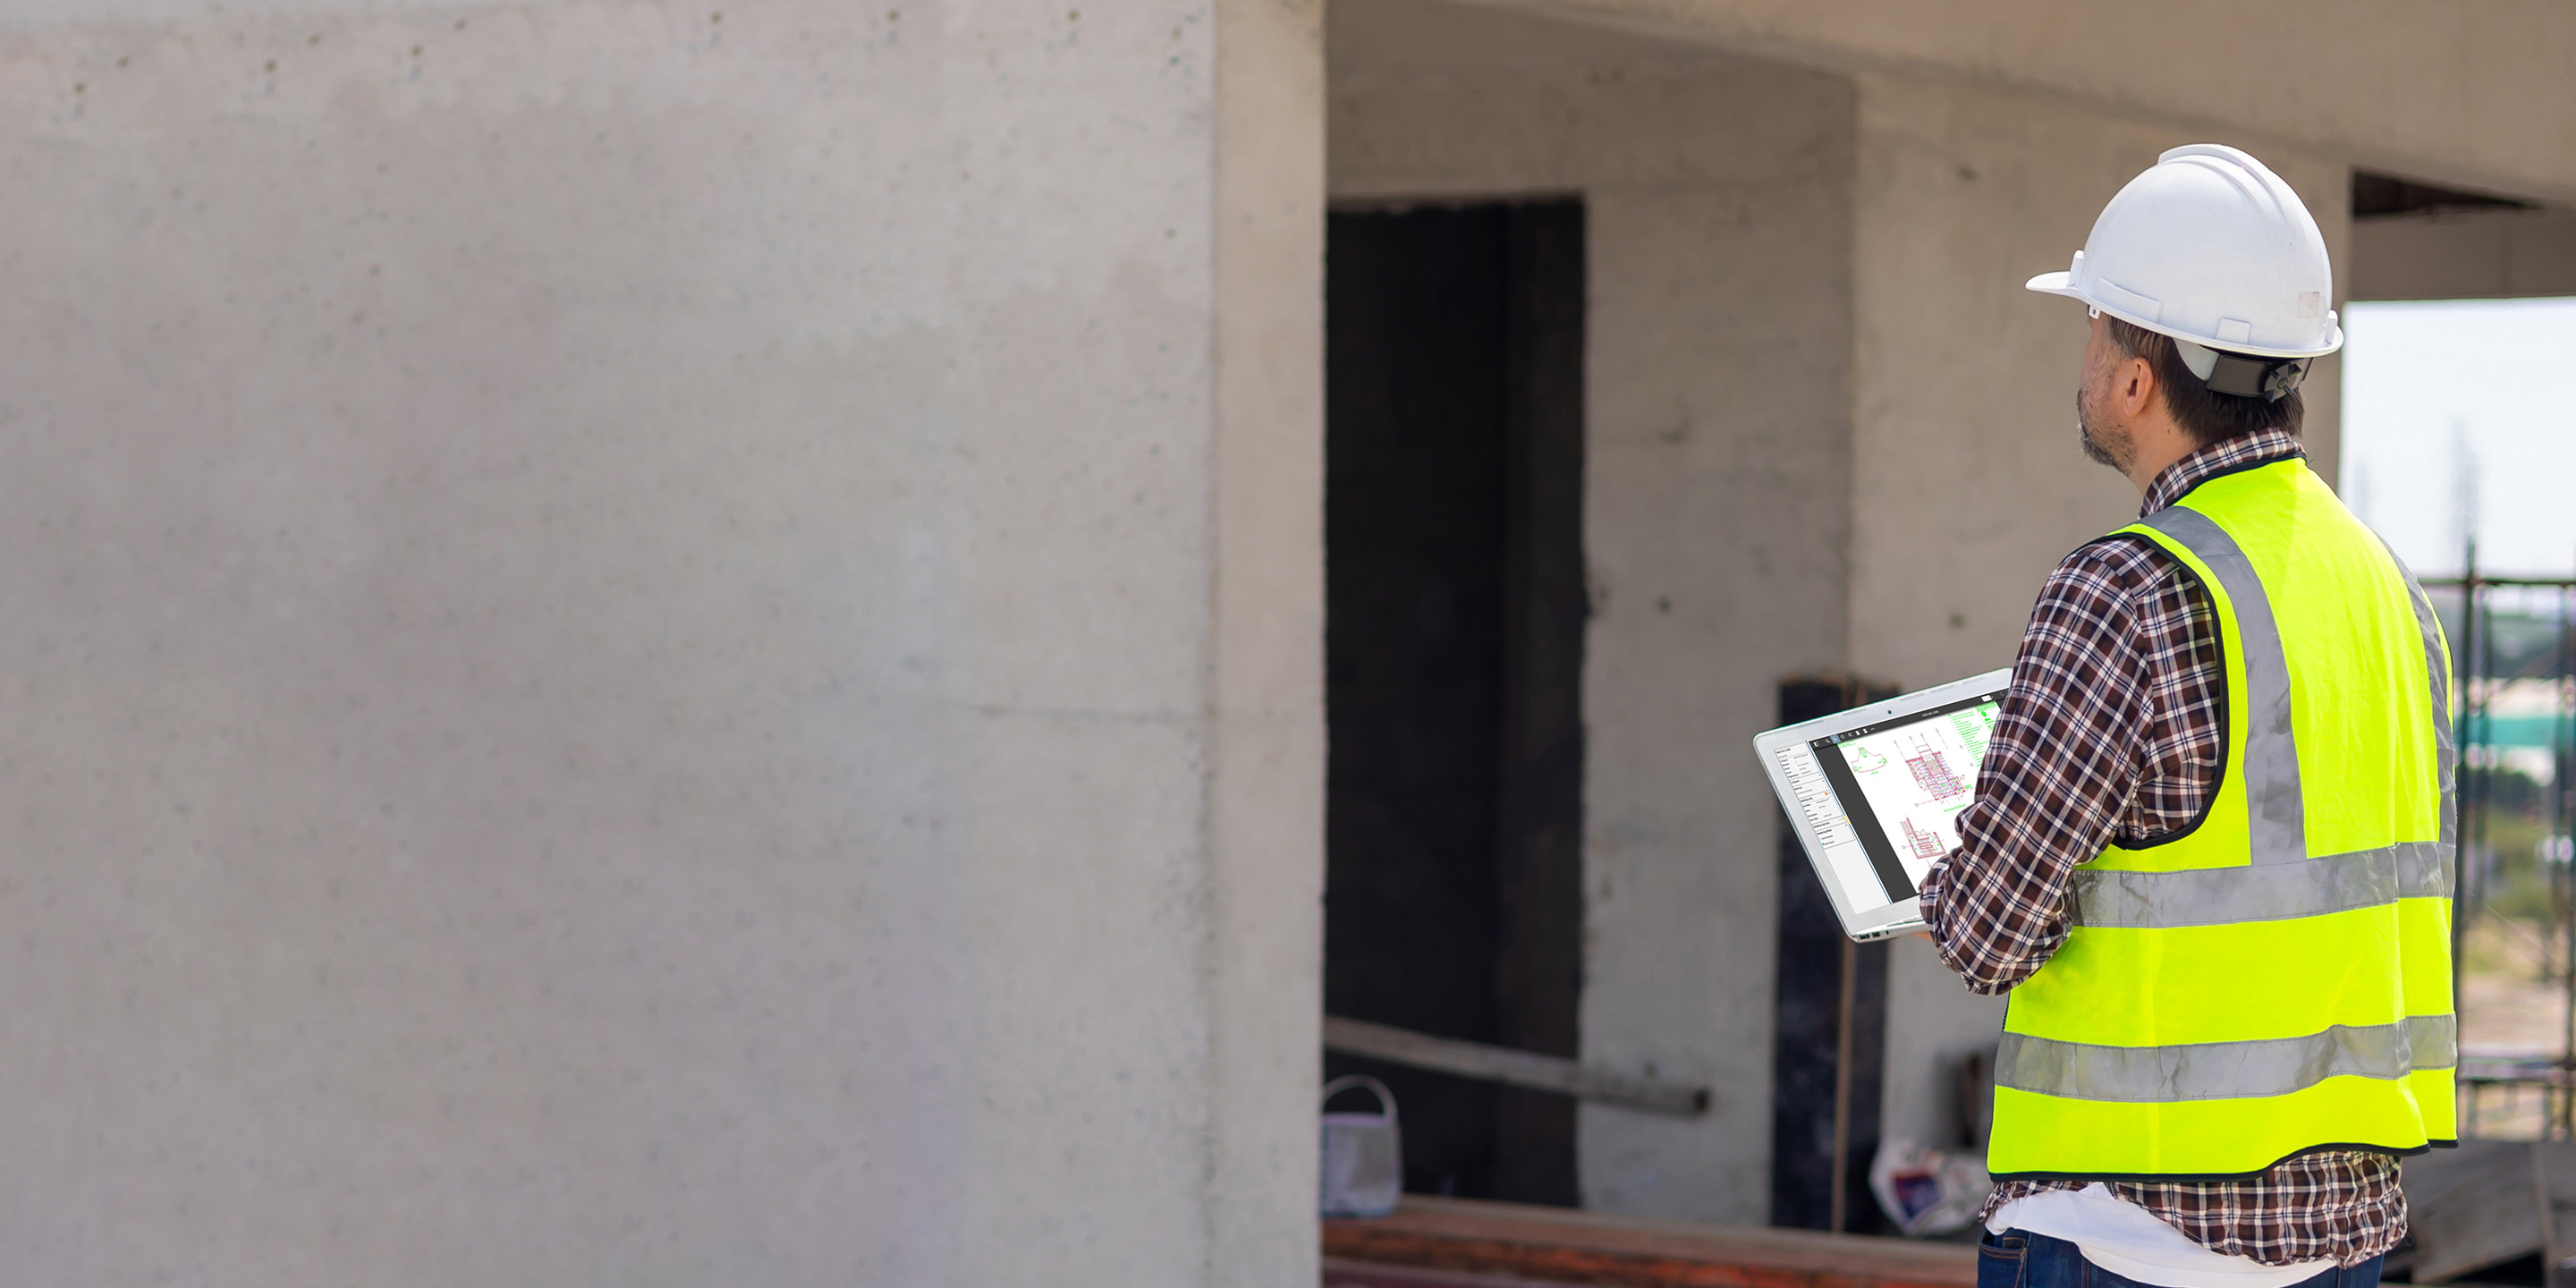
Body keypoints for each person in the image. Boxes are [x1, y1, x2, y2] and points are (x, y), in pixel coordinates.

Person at [1919, 144, 2456, 1288]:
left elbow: (1987, 933)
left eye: (2096, 330)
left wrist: (1931, 877)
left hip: (2131, 1238)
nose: (2087, 359)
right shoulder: (2387, 592)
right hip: (2340, 1242)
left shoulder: (2124, 588)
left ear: (2136, 375)